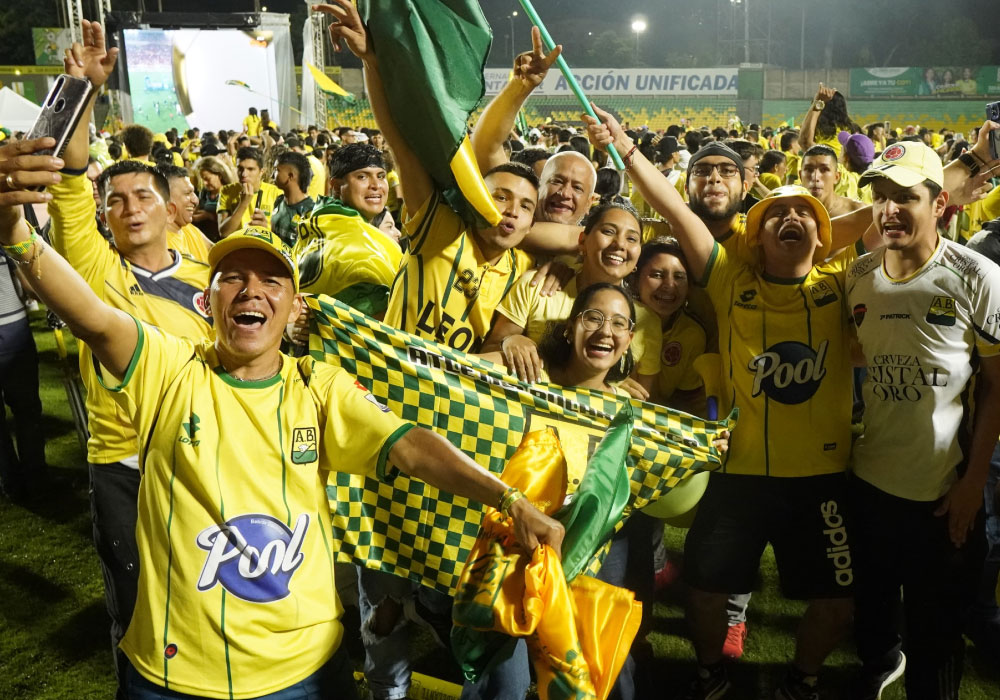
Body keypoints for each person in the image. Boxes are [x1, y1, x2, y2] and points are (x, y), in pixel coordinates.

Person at [0, 134, 565, 699]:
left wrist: (508, 499)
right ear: (211, 298)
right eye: (233, 279)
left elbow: (410, 445)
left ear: (296, 305)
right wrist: (15, 233)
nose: (252, 291)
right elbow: (94, 320)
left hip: (304, 671)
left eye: (272, 280)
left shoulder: (317, 385)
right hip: (177, 675)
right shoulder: (168, 366)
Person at [586, 107, 860, 700]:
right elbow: (675, 210)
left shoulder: (846, 284)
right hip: (739, 474)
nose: (792, 219)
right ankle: (711, 673)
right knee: (705, 591)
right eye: (777, 215)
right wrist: (627, 150)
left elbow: (889, 221)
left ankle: (803, 680)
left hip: (822, 481)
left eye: (803, 215)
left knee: (838, 603)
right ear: (755, 237)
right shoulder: (730, 278)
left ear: (823, 235)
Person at [845, 136, 1000, 700]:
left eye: (905, 197)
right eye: (881, 196)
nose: (890, 209)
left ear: (939, 204)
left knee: (937, 643)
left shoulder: (976, 275)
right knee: (873, 622)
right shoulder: (857, 276)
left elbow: (996, 390)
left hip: (943, 497)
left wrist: (972, 485)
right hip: (869, 486)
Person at [481, 198, 662, 399]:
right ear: (582, 241)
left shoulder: (647, 324)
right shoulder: (537, 286)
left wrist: (608, 385)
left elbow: (641, 400)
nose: (619, 244)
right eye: (608, 232)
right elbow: (489, 352)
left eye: (632, 239)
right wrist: (510, 341)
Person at [217, 146, 281, 237]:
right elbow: (224, 233)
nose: (244, 174)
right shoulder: (226, 191)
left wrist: (266, 228)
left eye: (250, 169)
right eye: (240, 168)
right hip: (237, 247)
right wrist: (243, 203)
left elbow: (284, 236)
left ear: (262, 172)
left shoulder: (276, 193)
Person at [156, 163, 213, 264]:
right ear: (164, 198)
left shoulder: (188, 229)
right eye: (187, 193)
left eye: (193, 192)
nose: (195, 200)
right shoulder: (158, 247)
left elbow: (218, 252)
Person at [799, 145, 866, 218]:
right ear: (800, 176)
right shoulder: (788, 212)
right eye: (809, 169)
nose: (815, 177)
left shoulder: (858, 212)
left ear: (836, 177)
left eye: (824, 170)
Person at [268, 150, 313, 247]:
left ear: (290, 176)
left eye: (277, 170)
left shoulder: (310, 212)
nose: (272, 175)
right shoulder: (279, 201)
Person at [193, 154, 234, 242]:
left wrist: (208, 216)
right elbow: (197, 209)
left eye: (207, 179)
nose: (204, 183)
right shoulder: (204, 192)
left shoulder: (230, 194)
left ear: (219, 175)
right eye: (203, 179)